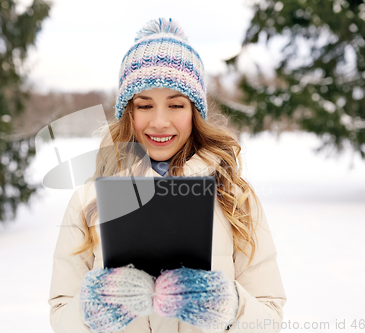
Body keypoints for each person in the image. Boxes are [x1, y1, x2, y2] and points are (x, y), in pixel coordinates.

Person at [48, 18, 287, 333]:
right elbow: (61, 315)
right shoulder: (88, 201)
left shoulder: (234, 197)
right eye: (145, 106)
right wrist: (89, 310)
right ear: (128, 113)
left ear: (194, 112)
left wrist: (231, 306)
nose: (159, 122)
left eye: (176, 105)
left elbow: (271, 318)